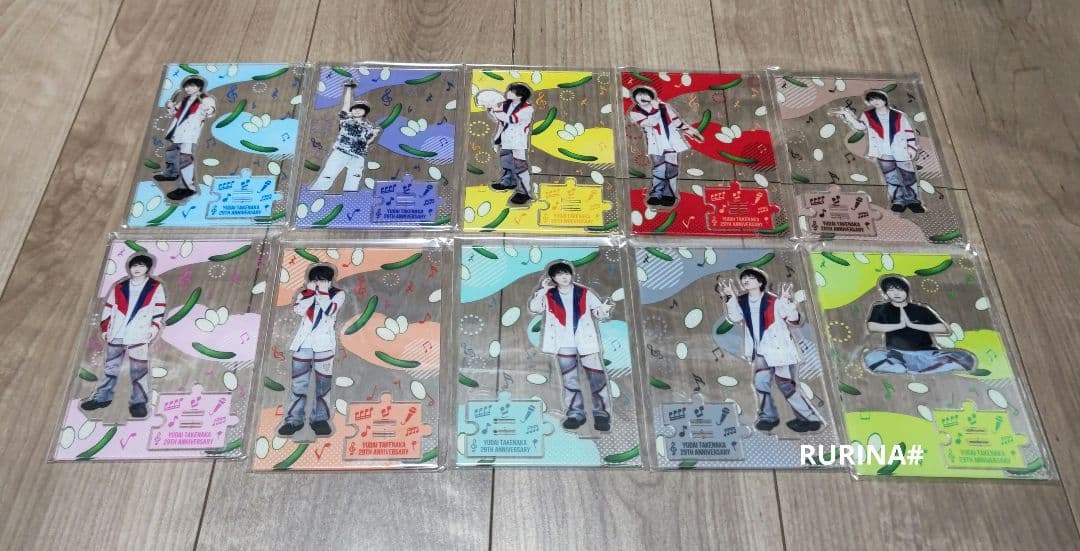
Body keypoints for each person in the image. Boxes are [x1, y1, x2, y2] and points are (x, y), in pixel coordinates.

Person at [716, 268, 822, 432]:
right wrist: (730, 296)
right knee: (760, 383)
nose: (745, 280)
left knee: (786, 385)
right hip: (761, 352)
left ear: (760, 282)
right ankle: (768, 417)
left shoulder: (773, 301)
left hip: (779, 352)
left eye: (750, 277)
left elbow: (794, 320)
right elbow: (736, 317)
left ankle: (810, 418)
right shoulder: (742, 300)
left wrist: (787, 302)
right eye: (744, 278)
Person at [528, 262, 615, 431]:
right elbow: (535, 308)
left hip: (586, 341)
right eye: (559, 274)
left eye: (566, 273)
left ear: (571, 274)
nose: (564, 277)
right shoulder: (549, 294)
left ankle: (601, 414)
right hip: (562, 343)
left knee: (597, 378)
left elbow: (598, 313)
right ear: (553, 278)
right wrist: (543, 290)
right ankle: (575, 414)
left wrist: (604, 309)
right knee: (569, 379)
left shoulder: (584, 292)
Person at [80, 254, 166, 419]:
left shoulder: (155, 287)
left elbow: (159, 310)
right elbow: (108, 308)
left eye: (141, 265)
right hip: (117, 333)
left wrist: (153, 329)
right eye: (134, 265)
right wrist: (105, 329)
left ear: (148, 268)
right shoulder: (120, 287)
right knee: (110, 367)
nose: (137, 269)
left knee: (139, 370)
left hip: (140, 334)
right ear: (129, 268)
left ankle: (139, 403)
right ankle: (102, 397)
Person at [829, 90, 923, 213]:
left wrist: (912, 148)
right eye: (872, 100)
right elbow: (860, 127)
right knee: (891, 178)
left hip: (902, 151)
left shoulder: (898, 115)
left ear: (884, 99)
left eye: (877, 98)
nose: (875, 102)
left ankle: (913, 201)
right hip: (883, 153)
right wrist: (847, 115)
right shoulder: (868, 115)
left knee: (908, 177)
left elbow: (908, 132)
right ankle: (898, 201)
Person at [279, 265, 346, 437]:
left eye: (322, 280)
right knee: (298, 384)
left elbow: (330, 310)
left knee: (323, 385)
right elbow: (299, 310)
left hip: (325, 345)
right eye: (315, 280)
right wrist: (310, 293)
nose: (318, 283)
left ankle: (320, 420)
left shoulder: (337, 294)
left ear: (329, 281)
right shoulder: (305, 294)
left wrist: (322, 292)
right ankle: (294, 420)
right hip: (303, 344)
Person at [864, 276, 976, 374]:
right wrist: (899, 325)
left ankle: (914, 369)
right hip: (897, 355)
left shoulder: (921, 309)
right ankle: (910, 368)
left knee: (965, 358)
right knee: (871, 357)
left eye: (899, 290)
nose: (896, 293)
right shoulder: (880, 308)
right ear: (885, 293)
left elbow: (943, 328)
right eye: (891, 290)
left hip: (926, 354)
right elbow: (871, 326)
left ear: (906, 291)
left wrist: (913, 325)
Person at [627, 86, 704, 207]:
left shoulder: (664, 106)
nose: (642, 97)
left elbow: (677, 122)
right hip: (656, 144)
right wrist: (656, 108)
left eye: (645, 94)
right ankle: (656, 194)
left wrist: (692, 132)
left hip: (671, 143)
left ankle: (669, 194)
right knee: (659, 169)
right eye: (639, 95)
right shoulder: (635, 112)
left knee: (671, 169)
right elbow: (651, 122)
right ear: (635, 99)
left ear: (651, 96)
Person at [310, 79, 380, 193]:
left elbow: (367, 143)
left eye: (361, 109)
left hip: (358, 156)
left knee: (353, 181)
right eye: (355, 109)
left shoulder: (368, 127)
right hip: (341, 152)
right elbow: (346, 104)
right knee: (327, 175)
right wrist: (348, 89)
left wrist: (374, 135)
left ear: (365, 112)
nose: (357, 111)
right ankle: (314, 193)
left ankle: (349, 199)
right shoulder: (347, 120)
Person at [155, 75, 216, 201]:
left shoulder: (206, 99)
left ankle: (187, 188)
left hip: (189, 134)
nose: (187, 89)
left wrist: (208, 109)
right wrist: (170, 106)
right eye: (186, 86)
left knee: (185, 159)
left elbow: (210, 112)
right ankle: (171, 174)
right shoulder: (185, 100)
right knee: (171, 153)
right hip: (177, 132)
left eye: (191, 86)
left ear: (198, 87)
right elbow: (173, 113)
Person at [486, 82, 535, 206]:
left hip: (518, 141)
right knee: (506, 163)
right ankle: (508, 182)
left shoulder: (527, 109)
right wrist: (491, 110)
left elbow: (511, 119)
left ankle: (524, 192)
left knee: (520, 167)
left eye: (511, 91)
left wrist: (496, 109)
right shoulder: (505, 104)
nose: (507, 92)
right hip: (505, 139)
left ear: (519, 96)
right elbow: (499, 119)